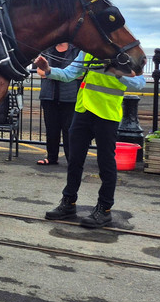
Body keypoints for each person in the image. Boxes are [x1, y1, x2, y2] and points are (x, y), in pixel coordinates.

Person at [36, 50, 146, 228]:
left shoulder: (122, 55)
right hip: (83, 111)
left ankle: (104, 209)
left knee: (106, 163)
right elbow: (69, 74)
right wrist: (48, 70)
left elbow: (140, 82)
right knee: (74, 160)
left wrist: (117, 72)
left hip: (107, 114)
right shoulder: (86, 53)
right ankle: (68, 203)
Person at [35, 42, 80, 165]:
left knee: (69, 130)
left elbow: (80, 74)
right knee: (51, 129)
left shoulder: (76, 50)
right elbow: (40, 71)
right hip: (49, 96)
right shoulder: (47, 50)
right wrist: (64, 74)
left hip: (69, 96)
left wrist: (51, 74)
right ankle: (51, 157)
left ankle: (71, 160)